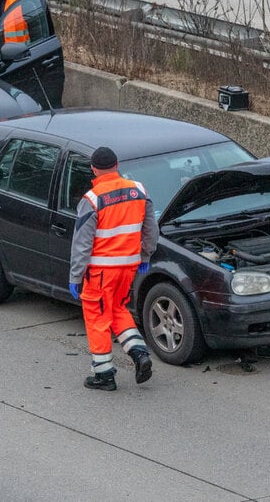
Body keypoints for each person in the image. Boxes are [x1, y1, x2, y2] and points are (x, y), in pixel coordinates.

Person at [69, 147, 159, 391]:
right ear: (117, 164)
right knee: (117, 308)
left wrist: (75, 276)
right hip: (128, 266)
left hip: (100, 271)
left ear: (93, 169)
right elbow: (151, 230)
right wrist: (145, 255)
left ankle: (104, 374)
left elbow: (82, 244)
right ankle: (139, 352)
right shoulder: (138, 190)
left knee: (97, 317)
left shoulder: (92, 199)